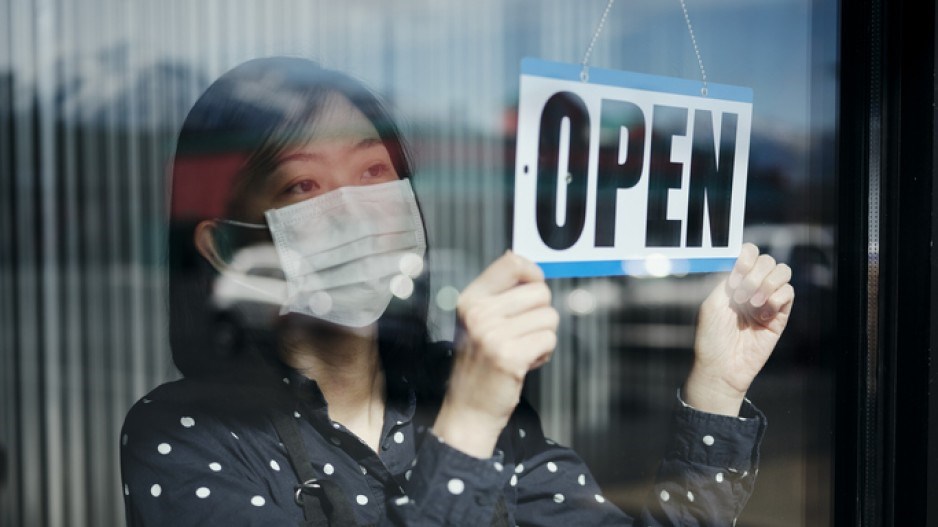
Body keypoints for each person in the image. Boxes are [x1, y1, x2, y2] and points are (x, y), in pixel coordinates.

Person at [120, 56, 795, 526]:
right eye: (303, 185)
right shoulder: (186, 434)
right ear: (223, 244)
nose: (357, 210)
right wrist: (467, 425)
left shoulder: (453, 390)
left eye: (374, 170)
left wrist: (715, 388)